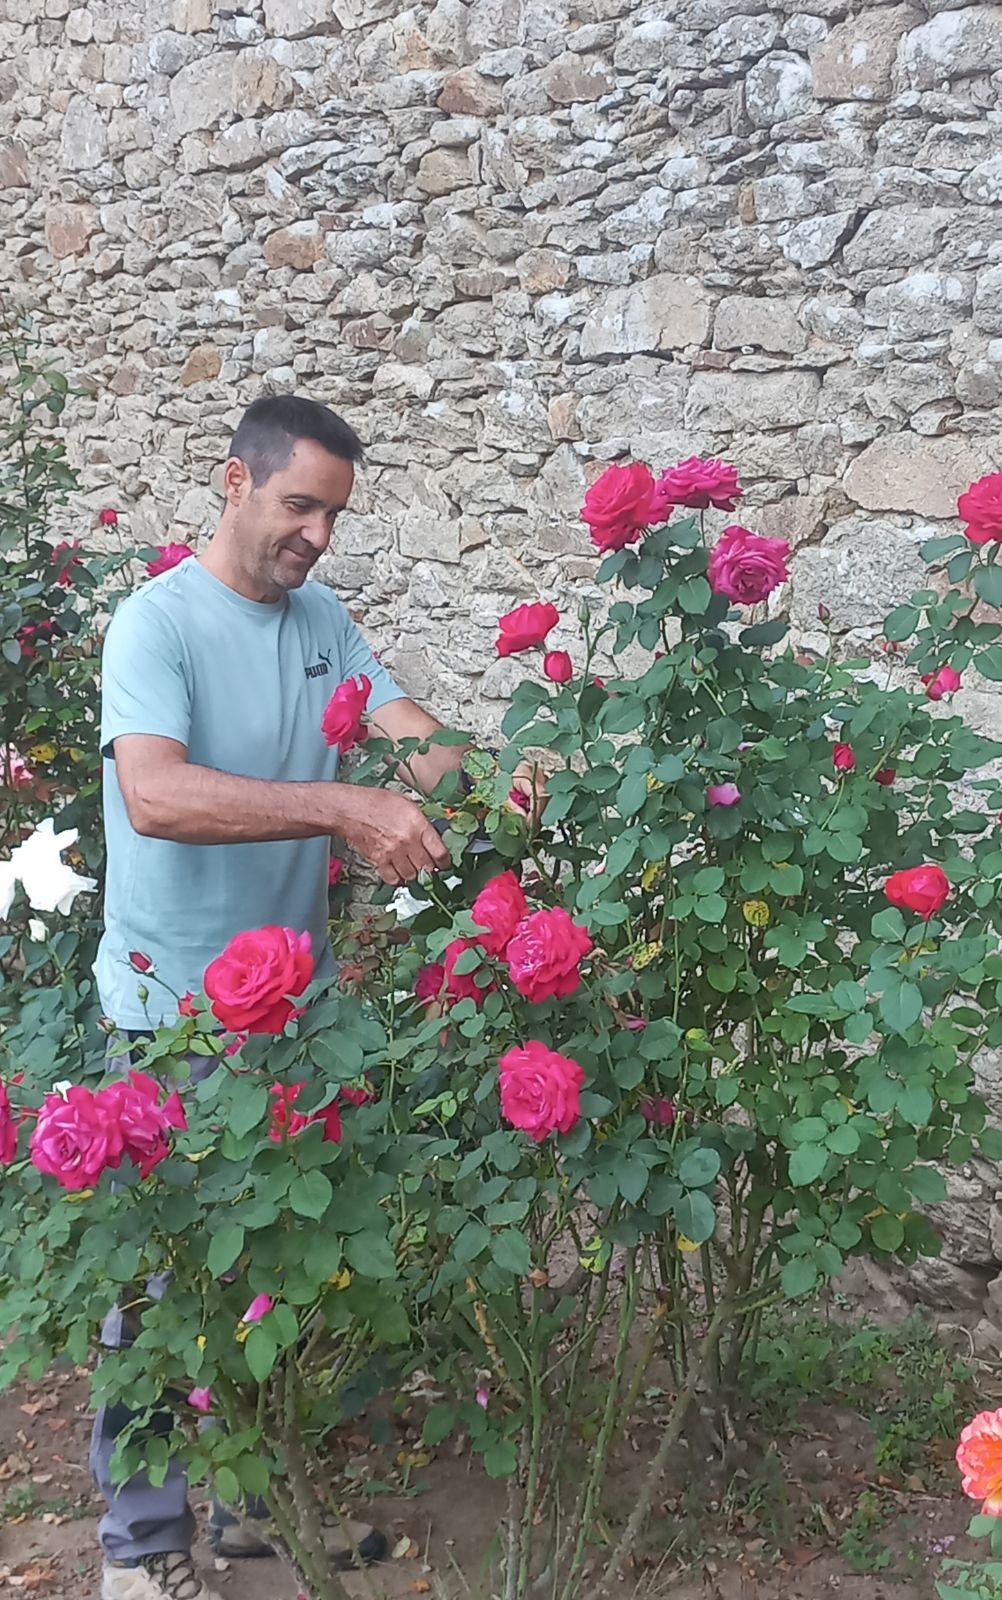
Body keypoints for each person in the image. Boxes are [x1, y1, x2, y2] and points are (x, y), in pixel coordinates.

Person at [91, 395, 529, 1600]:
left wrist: (508, 776)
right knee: (158, 1286)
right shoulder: (157, 625)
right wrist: (347, 807)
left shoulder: (322, 619)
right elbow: (159, 796)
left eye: (333, 513)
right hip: (167, 1014)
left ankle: (246, 1511)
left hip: (294, 1015)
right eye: (299, 505)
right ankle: (137, 1549)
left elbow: (409, 738)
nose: (318, 535)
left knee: (270, 1270)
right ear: (235, 482)